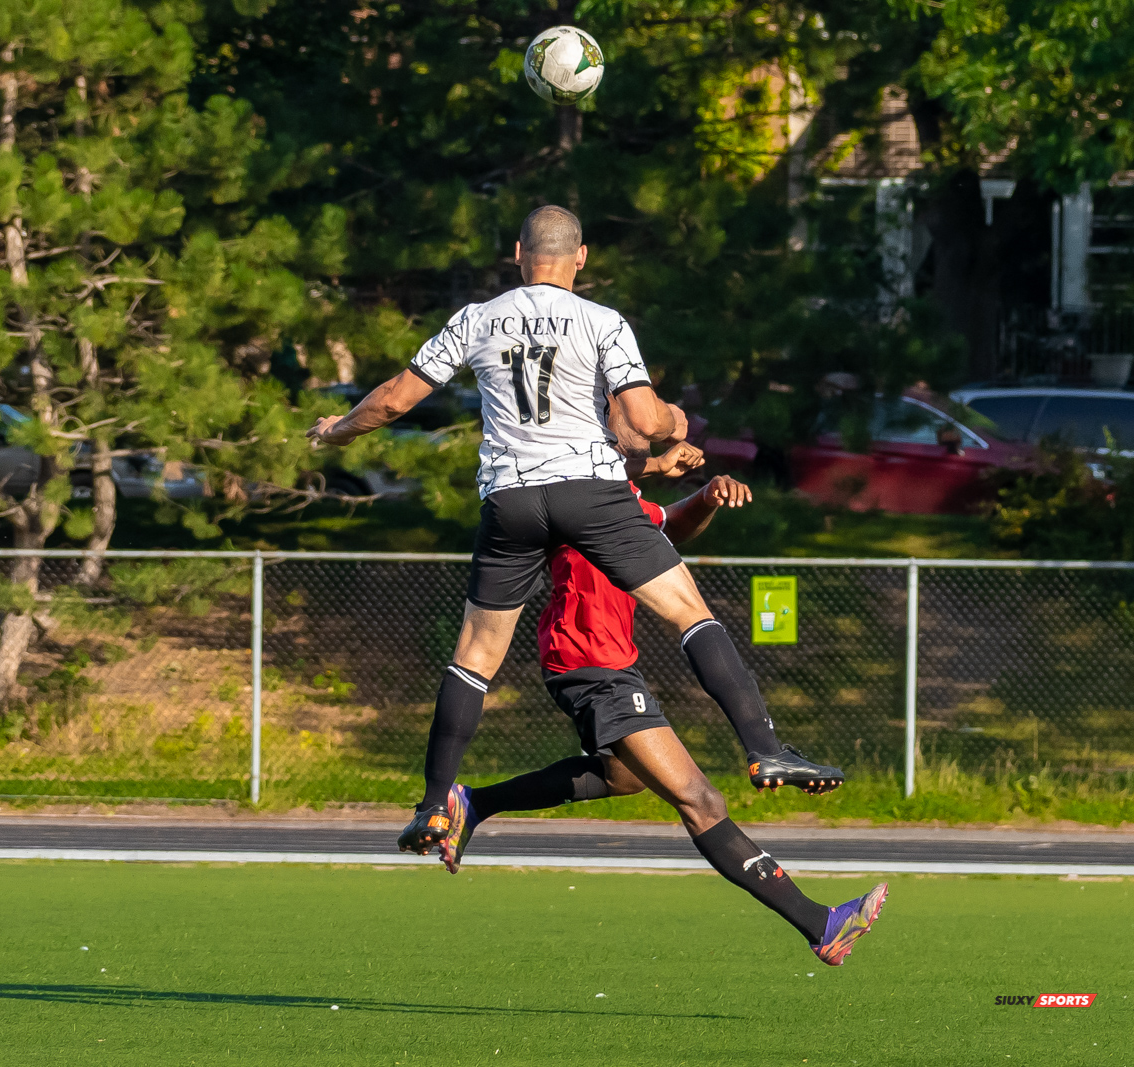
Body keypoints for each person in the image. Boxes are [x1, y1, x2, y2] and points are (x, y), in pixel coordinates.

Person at [305, 205, 841, 856]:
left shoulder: (477, 319)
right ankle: (764, 749)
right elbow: (642, 419)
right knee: (688, 612)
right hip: (589, 491)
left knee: (475, 655)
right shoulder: (602, 322)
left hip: (510, 499)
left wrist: (337, 429)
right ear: (580, 257)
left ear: (517, 253)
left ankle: (433, 805)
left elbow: (392, 399)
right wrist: (674, 423)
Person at [437, 474, 881, 967]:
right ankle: (821, 925)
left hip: (606, 664)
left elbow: (671, 523)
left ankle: (473, 803)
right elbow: (630, 447)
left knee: (624, 776)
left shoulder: (621, 505)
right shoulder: (571, 490)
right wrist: (662, 451)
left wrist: (706, 497)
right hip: (590, 663)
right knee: (701, 799)